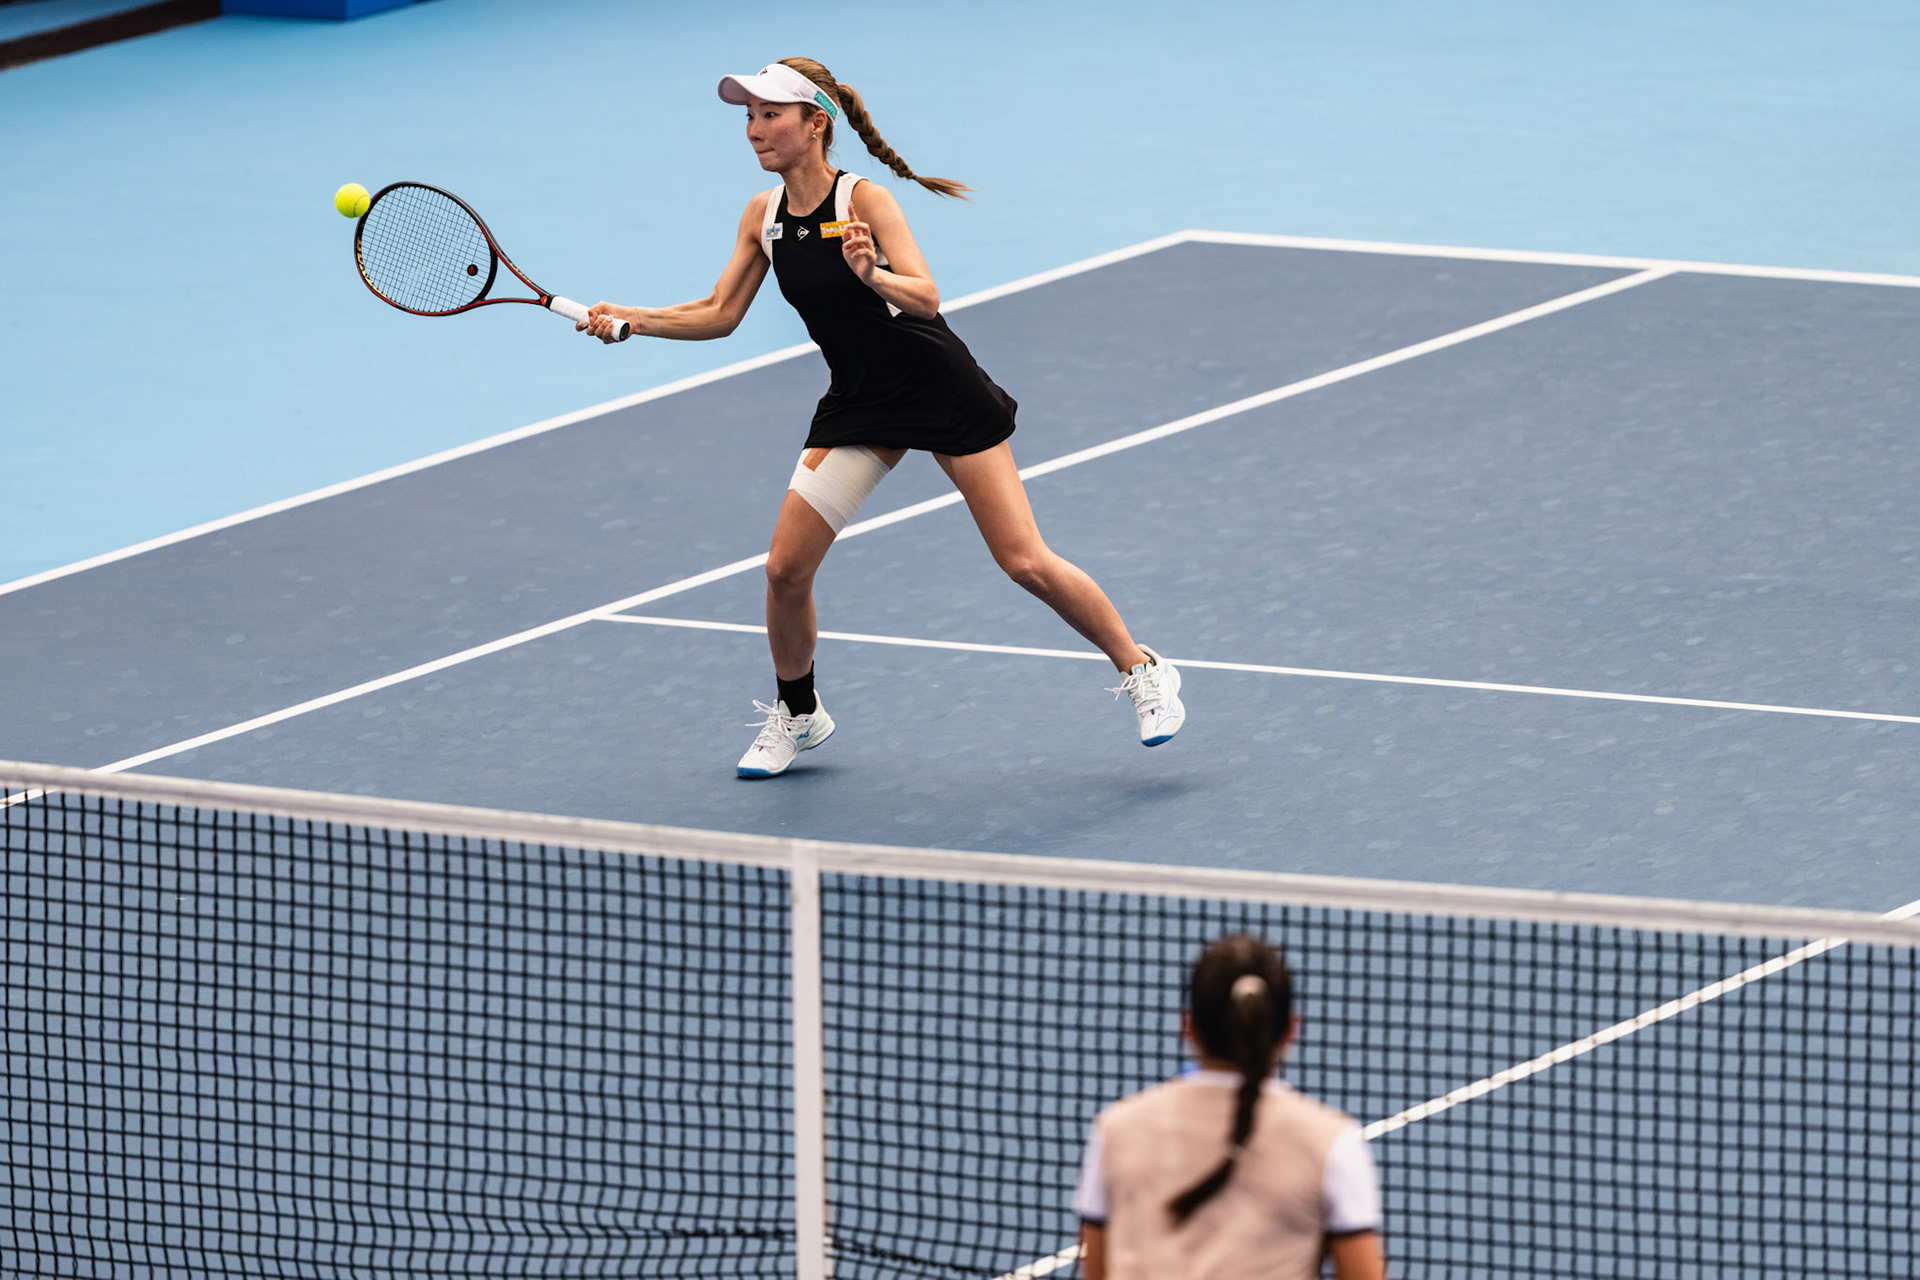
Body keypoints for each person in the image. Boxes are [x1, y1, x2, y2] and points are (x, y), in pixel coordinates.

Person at [580, 57, 1186, 777]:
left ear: (815, 125)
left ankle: (1142, 667)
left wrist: (872, 275)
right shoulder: (763, 216)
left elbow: (926, 297)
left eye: (771, 114)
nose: (754, 129)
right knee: (784, 571)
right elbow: (719, 313)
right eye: (748, 116)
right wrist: (633, 319)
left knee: (1023, 560)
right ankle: (799, 713)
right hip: (861, 401)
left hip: (938, 388)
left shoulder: (862, 201)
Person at [1074, 935, 1388, 1280]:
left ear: (1188, 1027)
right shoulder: (1332, 1143)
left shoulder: (1116, 1131)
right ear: (1290, 1030)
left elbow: (1097, 1271)